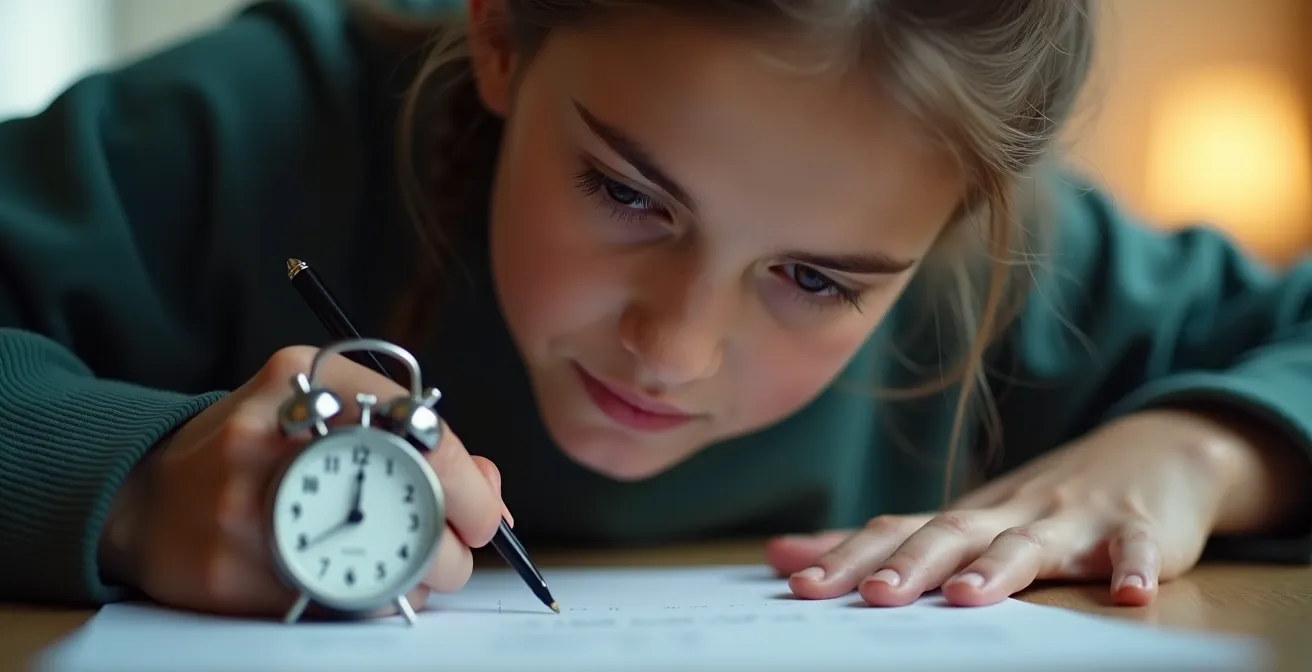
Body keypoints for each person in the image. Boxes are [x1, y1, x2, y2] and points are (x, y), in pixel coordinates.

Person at [2, 0, 1311, 623]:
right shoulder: (236, 133)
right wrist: (122, 479)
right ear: (504, 32)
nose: (673, 350)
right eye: (627, 194)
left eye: (818, 280)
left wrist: (1205, 448)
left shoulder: (1016, 272)